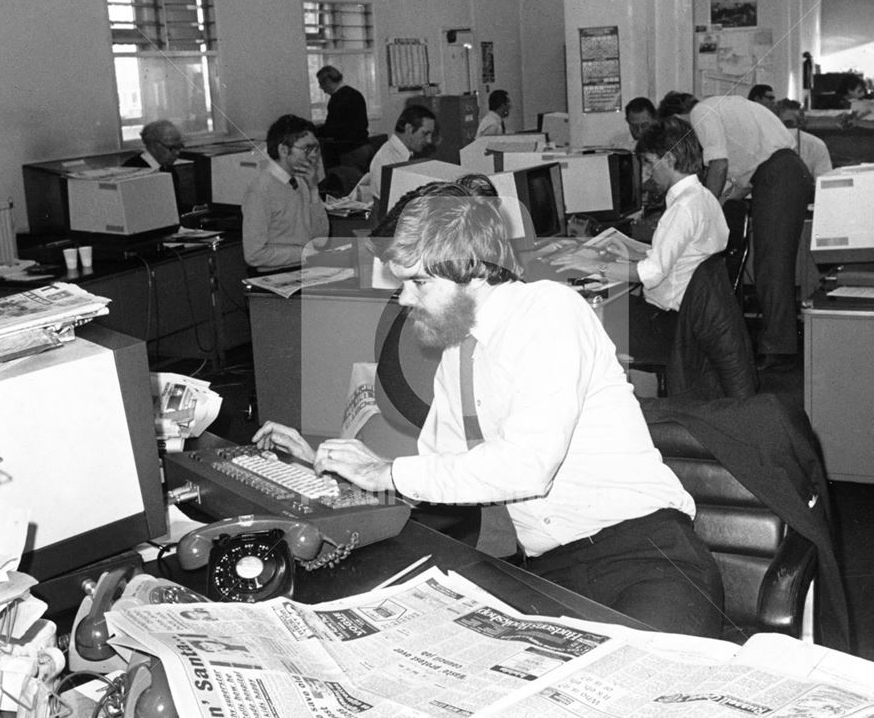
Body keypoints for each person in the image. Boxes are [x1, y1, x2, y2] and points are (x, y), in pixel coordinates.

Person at [252, 182, 725, 638]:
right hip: (552, 572)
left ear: (473, 270)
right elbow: (439, 476)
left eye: (418, 282)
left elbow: (527, 467)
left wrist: (386, 471)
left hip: (645, 555)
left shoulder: (549, 310)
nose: (404, 298)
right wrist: (324, 472)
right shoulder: (458, 354)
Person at [658, 91, 814, 373]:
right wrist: (717, 205)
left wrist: (701, 210)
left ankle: (779, 350)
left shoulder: (700, 113)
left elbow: (719, 164)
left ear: (675, 119)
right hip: (782, 174)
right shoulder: (720, 106)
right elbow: (741, 181)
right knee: (771, 264)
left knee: (772, 266)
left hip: (779, 176)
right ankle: (779, 343)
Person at [553, 118, 728, 359]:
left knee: (574, 312)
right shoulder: (704, 197)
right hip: (692, 320)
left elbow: (650, 274)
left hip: (669, 326)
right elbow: (684, 257)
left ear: (668, 159)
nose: (646, 172)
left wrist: (592, 265)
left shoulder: (682, 209)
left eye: (649, 162)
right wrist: (632, 252)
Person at [241, 114, 328, 272]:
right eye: (306, 149)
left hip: (304, 268)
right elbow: (254, 254)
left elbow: (320, 240)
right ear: (283, 150)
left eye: (316, 147)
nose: (314, 154)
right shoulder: (260, 190)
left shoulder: (301, 181)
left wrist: (314, 190)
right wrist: (304, 253)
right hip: (275, 275)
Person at [367, 104, 437, 203]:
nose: (429, 140)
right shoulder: (387, 161)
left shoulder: (405, 155)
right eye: (425, 133)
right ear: (409, 129)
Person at [123, 119, 185, 210]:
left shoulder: (167, 168)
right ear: (153, 146)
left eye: (179, 147)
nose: (177, 153)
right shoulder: (132, 171)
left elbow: (174, 206)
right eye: (172, 148)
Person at [777, 99, 833, 180]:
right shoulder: (762, 145)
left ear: (801, 123)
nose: (785, 129)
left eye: (789, 124)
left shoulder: (816, 146)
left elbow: (823, 182)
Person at [315, 65, 369, 144]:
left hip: (348, 148)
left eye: (321, 84)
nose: (322, 88)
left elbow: (332, 129)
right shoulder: (356, 94)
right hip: (364, 144)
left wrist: (314, 130)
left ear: (328, 82)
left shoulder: (336, 99)